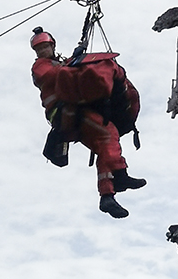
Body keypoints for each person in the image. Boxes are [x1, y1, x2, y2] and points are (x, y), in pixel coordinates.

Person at [30, 27, 146, 218]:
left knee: (105, 145)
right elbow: (58, 76)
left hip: (75, 111)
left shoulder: (58, 62)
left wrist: (78, 59)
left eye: (45, 46)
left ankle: (107, 195)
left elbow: (70, 72)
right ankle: (120, 175)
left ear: (52, 45)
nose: (42, 51)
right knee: (107, 134)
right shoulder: (40, 66)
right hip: (64, 113)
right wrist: (75, 63)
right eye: (39, 49)